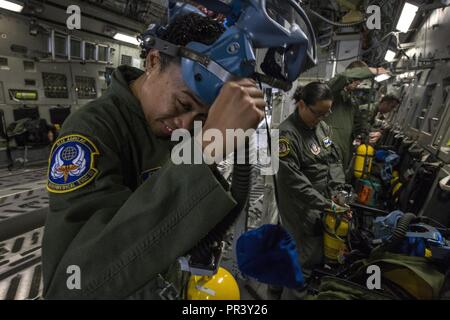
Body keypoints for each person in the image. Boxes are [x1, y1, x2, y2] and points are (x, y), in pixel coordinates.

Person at [42, 13, 266, 299]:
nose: (185, 125)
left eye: (202, 118)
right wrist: (206, 148)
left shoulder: (175, 127)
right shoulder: (92, 130)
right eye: (182, 103)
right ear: (152, 62)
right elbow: (76, 283)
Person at [276, 82, 350, 299]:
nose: (322, 118)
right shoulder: (285, 136)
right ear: (301, 105)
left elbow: (334, 160)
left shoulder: (322, 128)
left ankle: (275, 289)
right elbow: (294, 181)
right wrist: (327, 204)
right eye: (318, 113)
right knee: (303, 262)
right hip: (301, 207)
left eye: (326, 113)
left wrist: (338, 192)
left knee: (295, 254)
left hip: (323, 202)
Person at [325, 60, 388, 170]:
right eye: (357, 80)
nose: (358, 83)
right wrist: (372, 71)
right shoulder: (332, 92)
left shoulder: (352, 100)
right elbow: (344, 76)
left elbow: (357, 125)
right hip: (328, 146)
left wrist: (370, 134)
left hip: (344, 149)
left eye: (359, 81)